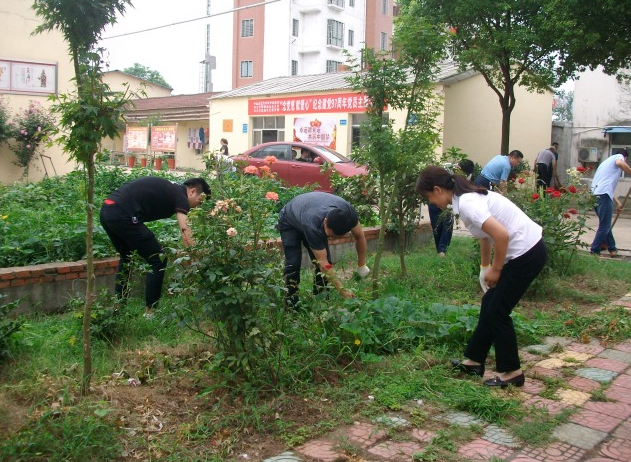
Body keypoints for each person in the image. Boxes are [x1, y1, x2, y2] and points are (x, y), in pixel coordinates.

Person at [416, 166, 547, 388]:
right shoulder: (465, 199)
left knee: (497, 310)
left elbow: (501, 235)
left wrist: (496, 269)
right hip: (524, 251)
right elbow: (485, 236)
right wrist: (484, 267)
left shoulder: (468, 204)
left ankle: (512, 372)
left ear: (437, 189)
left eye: (428, 197)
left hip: (527, 252)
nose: (431, 202)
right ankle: (474, 361)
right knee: (490, 303)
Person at [99, 176, 211, 315]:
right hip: (122, 214)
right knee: (158, 259)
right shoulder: (181, 195)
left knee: (127, 257)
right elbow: (185, 232)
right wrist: (197, 258)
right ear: (192, 191)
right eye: (199, 202)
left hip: (107, 210)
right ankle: (150, 312)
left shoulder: (173, 189)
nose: (197, 206)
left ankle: (119, 307)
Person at [278, 192, 370, 309]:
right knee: (293, 264)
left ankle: (320, 301)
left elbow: (360, 237)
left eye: (334, 237)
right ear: (325, 221)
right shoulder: (313, 225)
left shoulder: (349, 215)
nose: (330, 239)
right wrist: (343, 291)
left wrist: (362, 265)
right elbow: (324, 265)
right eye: (329, 236)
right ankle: (290, 305)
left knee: (326, 264)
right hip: (290, 220)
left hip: (308, 213)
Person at [428, 159, 475, 256]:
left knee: (447, 225)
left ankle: (442, 251)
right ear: (457, 167)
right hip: (435, 199)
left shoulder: (467, 176)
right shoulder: (445, 169)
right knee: (436, 224)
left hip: (449, 201)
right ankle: (439, 249)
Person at [589, 149, 631, 257]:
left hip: (595, 195)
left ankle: (612, 248)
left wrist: (618, 203)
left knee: (605, 224)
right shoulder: (619, 157)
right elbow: (620, 163)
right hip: (603, 195)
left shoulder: (606, 163)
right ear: (625, 157)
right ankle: (595, 249)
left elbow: (605, 188)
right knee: (605, 226)